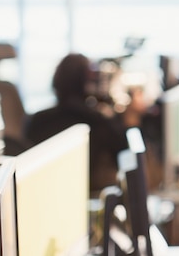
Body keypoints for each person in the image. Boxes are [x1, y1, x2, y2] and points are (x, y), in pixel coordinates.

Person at [26, 53, 129, 195]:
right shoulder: (97, 122)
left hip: (42, 195)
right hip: (85, 197)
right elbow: (125, 155)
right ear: (87, 83)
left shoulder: (37, 120)